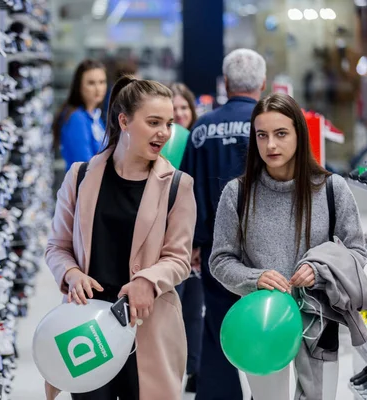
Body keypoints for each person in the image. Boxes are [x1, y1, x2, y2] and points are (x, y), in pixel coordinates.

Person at [45, 75, 197, 400]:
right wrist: (71, 274)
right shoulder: (80, 177)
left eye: (168, 123)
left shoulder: (177, 185)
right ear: (124, 120)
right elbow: (57, 247)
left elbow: (179, 258)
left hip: (147, 327)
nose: (164, 133)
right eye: (153, 122)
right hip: (87, 329)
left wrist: (148, 279)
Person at [209, 93, 367, 399]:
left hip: (318, 322)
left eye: (281, 134)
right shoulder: (237, 194)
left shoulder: (332, 189)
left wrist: (319, 271)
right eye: (262, 135)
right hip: (261, 323)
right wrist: (255, 278)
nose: (270, 145)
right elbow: (220, 260)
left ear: (299, 134)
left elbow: (358, 253)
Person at [179, 48, 266, 400]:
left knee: (217, 330)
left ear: (225, 83)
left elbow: (188, 190)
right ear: (262, 83)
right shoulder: (269, 127)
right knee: (266, 326)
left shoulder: (201, 129)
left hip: (216, 251)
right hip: (266, 251)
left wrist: (195, 243)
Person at [169, 82, 202, 393]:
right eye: (174, 108)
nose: (179, 113)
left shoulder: (199, 144)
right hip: (167, 242)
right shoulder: (159, 144)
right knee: (170, 307)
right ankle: (169, 368)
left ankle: (195, 368)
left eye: (183, 108)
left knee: (194, 307)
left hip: (195, 238)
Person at [53, 59, 107, 171]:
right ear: (79, 86)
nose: (98, 88)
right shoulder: (77, 118)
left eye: (102, 82)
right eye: (91, 83)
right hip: (85, 185)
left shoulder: (94, 116)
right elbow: (85, 165)